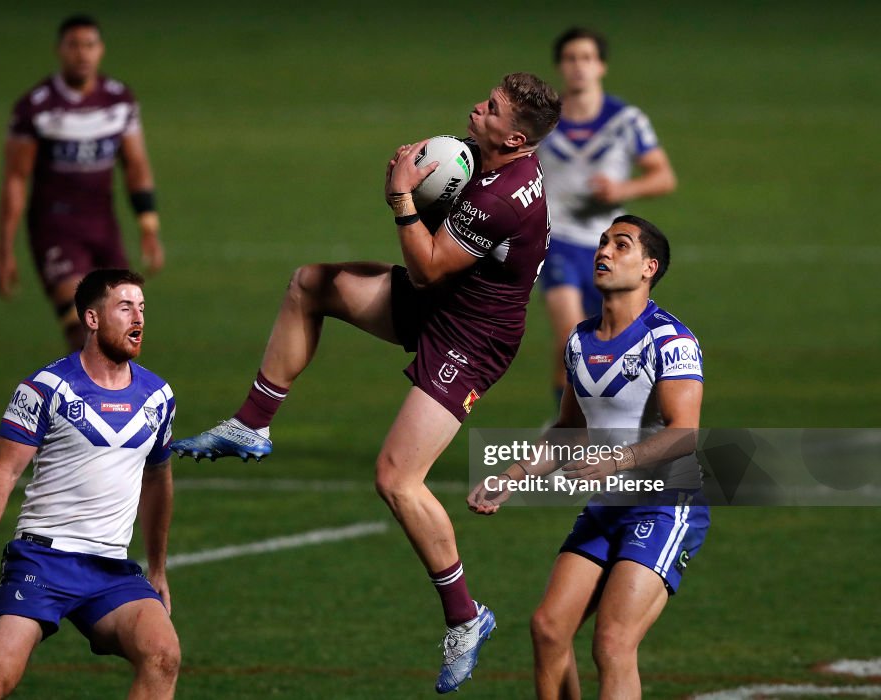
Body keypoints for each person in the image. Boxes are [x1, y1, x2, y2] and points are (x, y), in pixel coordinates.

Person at [172, 73, 561, 693]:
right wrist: (429, 188)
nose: (476, 107)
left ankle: (466, 617)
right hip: (450, 300)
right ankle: (252, 423)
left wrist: (404, 198)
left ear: (515, 137)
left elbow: (428, 267)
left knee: (396, 478)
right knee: (310, 284)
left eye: (490, 108)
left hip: (472, 338)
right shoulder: (491, 169)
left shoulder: (502, 196)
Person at [468, 215, 709, 699]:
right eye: (603, 243)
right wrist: (512, 476)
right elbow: (569, 430)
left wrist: (618, 461)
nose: (605, 252)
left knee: (614, 643)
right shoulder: (579, 341)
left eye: (622, 246)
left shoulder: (669, 339)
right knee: (548, 628)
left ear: (648, 268)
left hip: (665, 505)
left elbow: (685, 433)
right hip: (610, 504)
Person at [0, 269, 179, 699]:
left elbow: (158, 479)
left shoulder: (158, 397)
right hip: (42, 562)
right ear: (91, 319)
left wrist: (157, 568)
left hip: (111, 570)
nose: (138, 319)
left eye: (142, 308)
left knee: (163, 655)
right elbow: (4, 471)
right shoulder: (45, 388)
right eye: (125, 308)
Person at [0, 15, 165, 349]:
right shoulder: (37, 108)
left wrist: (148, 225)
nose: (82, 54)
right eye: (73, 46)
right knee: (82, 328)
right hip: (55, 227)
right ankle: (82, 401)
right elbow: (16, 179)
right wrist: (5, 249)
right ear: (59, 50)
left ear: (100, 50)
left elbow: (136, 166)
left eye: (89, 45)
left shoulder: (119, 102)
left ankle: (115, 402)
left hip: (103, 226)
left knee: (123, 332)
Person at [538, 27, 676, 409]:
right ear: (560, 67)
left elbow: (663, 176)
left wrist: (621, 191)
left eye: (586, 58)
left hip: (608, 247)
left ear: (601, 66)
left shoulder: (625, 121)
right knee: (569, 336)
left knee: (606, 343)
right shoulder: (543, 121)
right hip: (556, 242)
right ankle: (567, 429)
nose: (578, 67)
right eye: (570, 59)